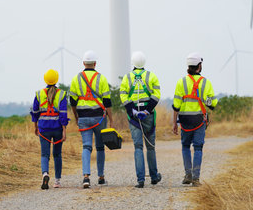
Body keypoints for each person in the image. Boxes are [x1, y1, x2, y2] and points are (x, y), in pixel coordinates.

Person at [172, 52, 218, 187]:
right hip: (199, 120)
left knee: (185, 146)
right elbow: (212, 103)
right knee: (198, 148)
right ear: (199, 66)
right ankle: (196, 179)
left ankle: (188, 175)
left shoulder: (181, 82)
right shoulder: (206, 82)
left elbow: (176, 105)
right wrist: (205, 99)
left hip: (185, 120)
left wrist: (174, 123)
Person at [69, 50, 113, 188]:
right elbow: (107, 102)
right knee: (100, 148)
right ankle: (101, 177)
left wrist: (76, 117)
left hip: (83, 117)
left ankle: (86, 177)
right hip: (99, 117)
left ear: (83, 63)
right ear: (95, 63)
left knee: (86, 146)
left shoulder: (76, 79)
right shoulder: (102, 79)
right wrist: (111, 120)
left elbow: (73, 102)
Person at [120, 51, 162, 188]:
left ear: (133, 62)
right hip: (148, 115)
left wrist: (133, 111)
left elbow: (123, 95)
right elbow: (156, 95)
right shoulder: (151, 76)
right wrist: (147, 110)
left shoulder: (127, 78)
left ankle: (140, 180)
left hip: (134, 117)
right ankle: (154, 177)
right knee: (150, 147)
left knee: (138, 147)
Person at [30, 69, 69, 190]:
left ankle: (45, 173)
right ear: (57, 79)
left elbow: (35, 113)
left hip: (44, 128)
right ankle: (57, 181)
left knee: (44, 154)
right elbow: (63, 114)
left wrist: (35, 127)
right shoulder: (62, 94)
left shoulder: (39, 94)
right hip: (57, 128)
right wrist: (64, 130)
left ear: (45, 79)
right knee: (57, 154)